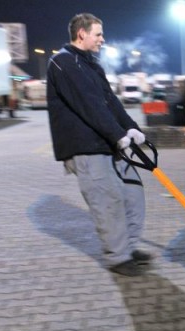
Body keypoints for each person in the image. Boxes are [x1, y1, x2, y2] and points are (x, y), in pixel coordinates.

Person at [47, 13, 151, 277]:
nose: (103, 40)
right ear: (82, 33)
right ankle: (118, 257)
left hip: (106, 141)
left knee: (133, 194)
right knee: (108, 200)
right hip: (85, 146)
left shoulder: (90, 64)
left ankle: (126, 247)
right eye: (98, 34)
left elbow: (110, 101)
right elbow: (89, 105)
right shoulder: (63, 63)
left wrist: (132, 129)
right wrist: (117, 134)